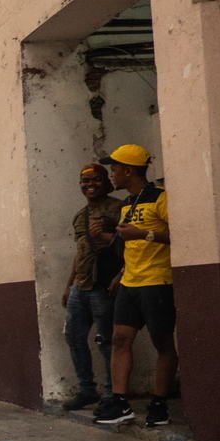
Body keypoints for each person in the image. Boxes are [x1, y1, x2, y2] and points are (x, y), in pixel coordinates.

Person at [95, 144, 177, 427]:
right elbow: (129, 245)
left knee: (162, 343)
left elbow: (178, 234)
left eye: (115, 168)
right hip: (130, 282)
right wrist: (121, 272)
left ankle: (159, 403)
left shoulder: (160, 198)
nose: (112, 174)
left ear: (129, 171)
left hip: (157, 281)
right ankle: (120, 403)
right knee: (119, 339)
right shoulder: (127, 204)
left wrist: (144, 234)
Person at [61, 163, 125, 411]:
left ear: (106, 182)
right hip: (81, 286)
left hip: (103, 285)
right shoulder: (80, 216)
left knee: (107, 341)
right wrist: (69, 285)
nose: (90, 185)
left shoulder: (119, 208)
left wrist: (120, 275)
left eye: (95, 180)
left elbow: (130, 247)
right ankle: (87, 389)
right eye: (85, 182)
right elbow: (81, 253)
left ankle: (111, 393)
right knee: (73, 336)